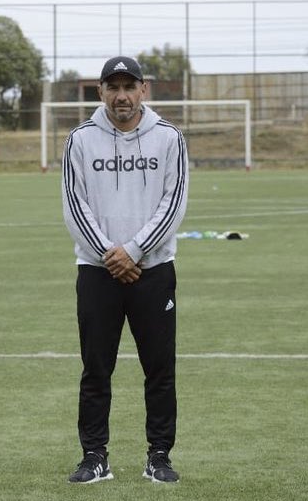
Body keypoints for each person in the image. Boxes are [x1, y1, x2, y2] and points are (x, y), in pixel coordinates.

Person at [61, 56, 189, 484]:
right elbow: (74, 205)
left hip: (153, 271)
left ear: (143, 90)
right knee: (96, 368)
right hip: (97, 273)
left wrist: (133, 251)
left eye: (129, 87)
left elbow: (173, 204)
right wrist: (110, 254)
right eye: (113, 87)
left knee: (159, 368)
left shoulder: (170, 138)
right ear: (101, 92)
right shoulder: (79, 140)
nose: (121, 96)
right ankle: (95, 455)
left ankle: (159, 455)